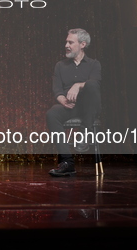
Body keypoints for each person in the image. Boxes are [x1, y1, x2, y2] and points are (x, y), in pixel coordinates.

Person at [46, 28, 101, 177]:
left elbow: (95, 84)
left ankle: (84, 132)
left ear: (82, 44)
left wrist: (78, 85)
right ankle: (67, 162)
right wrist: (62, 100)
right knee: (52, 114)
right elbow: (57, 90)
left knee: (91, 85)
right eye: (66, 42)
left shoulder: (94, 64)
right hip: (71, 106)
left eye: (71, 42)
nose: (66, 45)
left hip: (89, 106)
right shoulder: (60, 66)